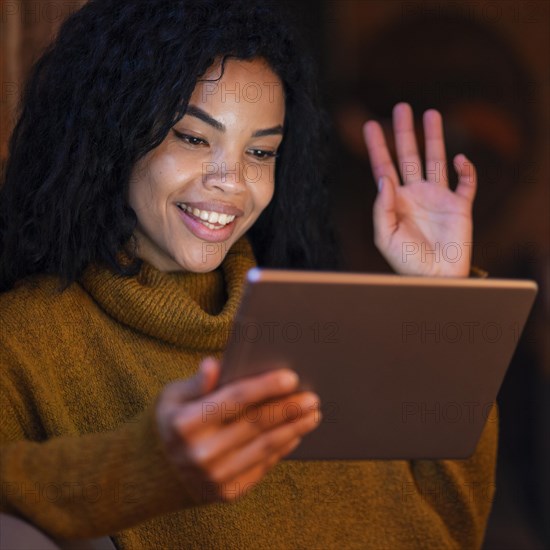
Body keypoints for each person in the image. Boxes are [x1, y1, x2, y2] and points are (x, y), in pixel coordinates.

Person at [0, 1, 497, 548]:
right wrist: (146, 466)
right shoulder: (27, 340)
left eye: (261, 151)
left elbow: (451, 528)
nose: (233, 183)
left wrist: (445, 304)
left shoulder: (324, 322)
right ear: (111, 133)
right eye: (192, 138)